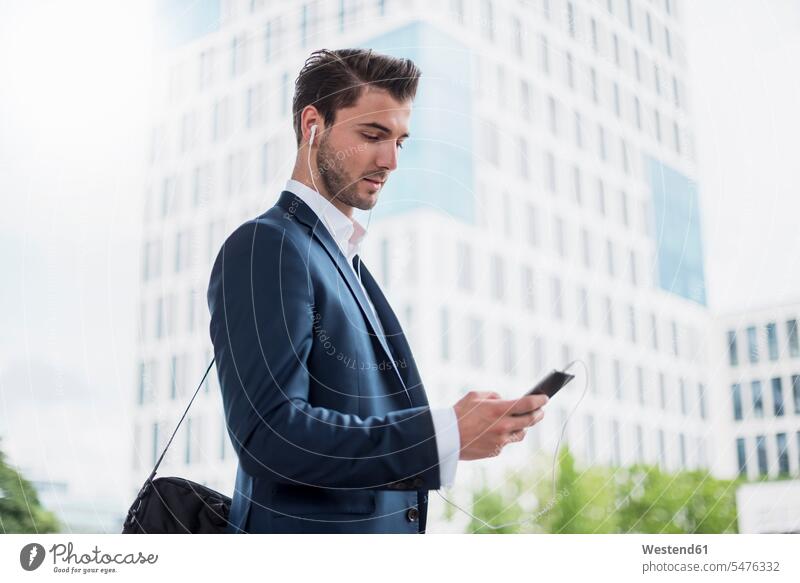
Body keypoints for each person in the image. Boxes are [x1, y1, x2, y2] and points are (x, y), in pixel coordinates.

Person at [207, 48, 548, 534]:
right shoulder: (268, 245)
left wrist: (454, 430)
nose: (389, 160)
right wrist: (444, 434)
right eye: (372, 135)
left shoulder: (345, 263)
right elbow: (269, 434)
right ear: (313, 125)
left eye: (400, 142)